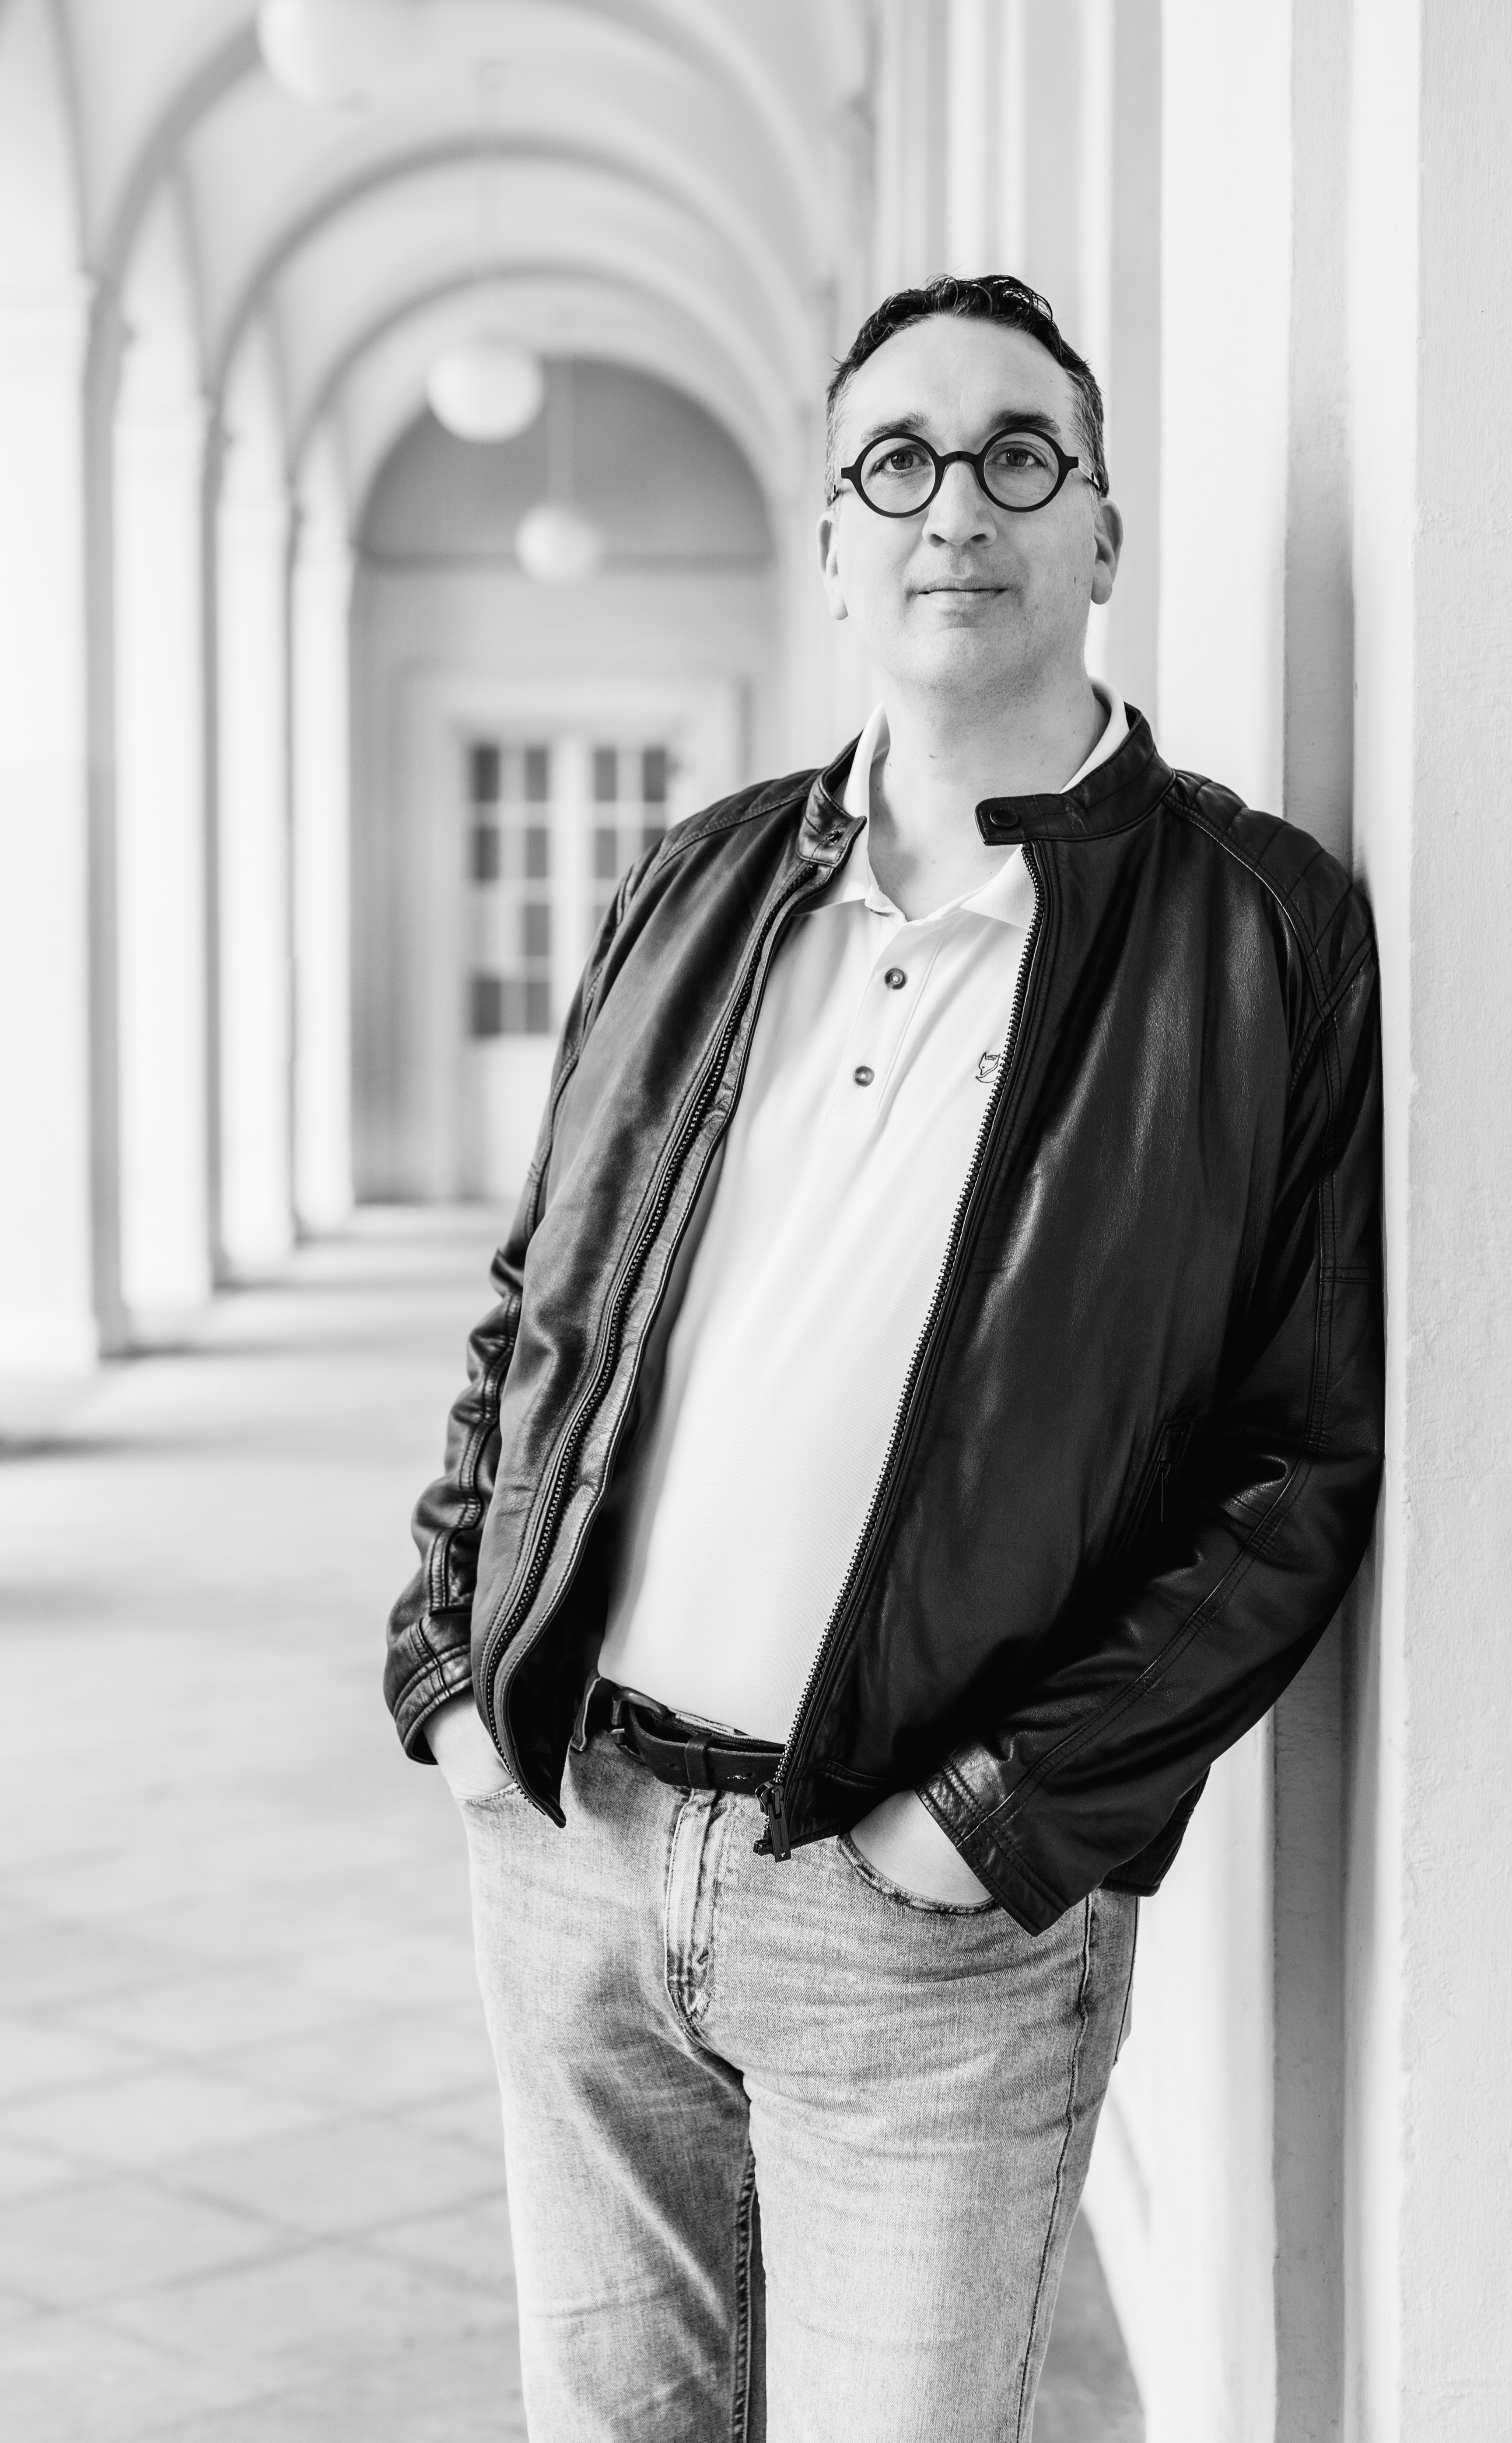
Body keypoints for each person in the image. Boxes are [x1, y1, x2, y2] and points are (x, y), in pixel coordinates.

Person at [385, 273, 1384, 2443]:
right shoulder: (695, 884)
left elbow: (1297, 1463)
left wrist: (1002, 1813)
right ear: (833, 542)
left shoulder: (1259, 930)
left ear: (1101, 534)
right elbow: (534, 1308)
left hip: (918, 1917)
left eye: (1020, 455)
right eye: (899, 462)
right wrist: (447, 1656)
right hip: (574, 1832)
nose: (959, 507)